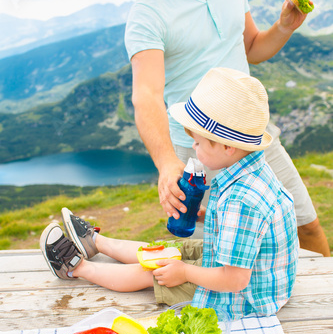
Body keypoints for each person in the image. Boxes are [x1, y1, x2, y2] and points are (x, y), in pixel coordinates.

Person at [40, 68, 298, 319]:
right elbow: (248, 230)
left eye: (197, 142)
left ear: (227, 146)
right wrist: (204, 216)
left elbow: (235, 279)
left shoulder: (242, 199)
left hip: (244, 298)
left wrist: (184, 272)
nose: (193, 148)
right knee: (166, 251)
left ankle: (73, 267)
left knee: (155, 271)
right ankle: (95, 243)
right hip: (256, 280)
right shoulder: (253, 173)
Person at [125, 0, 330, 256]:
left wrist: (284, 27)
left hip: (252, 138)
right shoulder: (147, 13)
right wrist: (167, 163)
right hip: (199, 153)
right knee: (222, 254)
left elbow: (251, 49)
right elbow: (146, 95)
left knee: (305, 225)